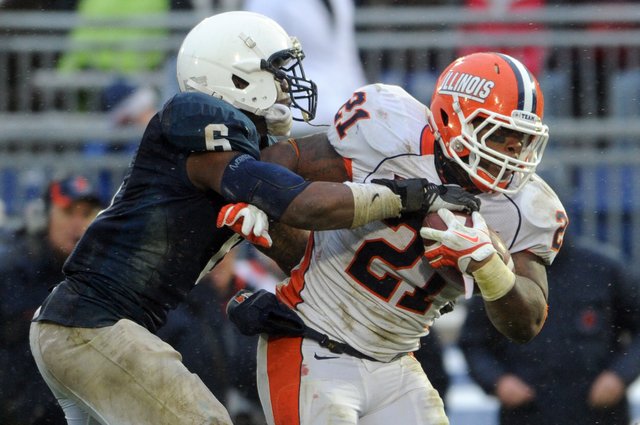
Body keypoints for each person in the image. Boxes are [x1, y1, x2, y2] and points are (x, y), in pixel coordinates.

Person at [28, 11, 476, 425]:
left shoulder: (230, 152)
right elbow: (298, 202)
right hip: (90, 325)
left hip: (82, 327)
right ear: (235, 76)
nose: (286, 86)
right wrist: (400, 196)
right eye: (276, 74)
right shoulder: (196, 119)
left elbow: (296, 235)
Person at [223, 51, 569, 424]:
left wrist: (490, 269)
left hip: (397, 362)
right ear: (452, 117)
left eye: (522, 139)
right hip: (311, 339)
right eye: (500, 135)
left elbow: (526, 324)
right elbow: (288, 157)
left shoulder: (527, 206)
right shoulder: (391, 128)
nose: (513, 152)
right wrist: (264, 196)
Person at [459, 234, 640, 425]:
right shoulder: (503, 273)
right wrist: (499, 381)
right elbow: (473, 341)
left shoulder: (603, 268)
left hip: (599, 413)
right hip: (527, 413)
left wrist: (619, 376)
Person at [0, 175, 104, 425]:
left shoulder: (104, 277)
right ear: (46, 217)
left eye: (86, 213)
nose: (78, 224)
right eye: (68, 212)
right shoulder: (11, 273)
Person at [243, 0, 367, 136]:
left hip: (346, 113)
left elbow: (346, 55)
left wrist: (362, 98)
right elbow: (259, 57)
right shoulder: (267, 3)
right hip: (298, 117)